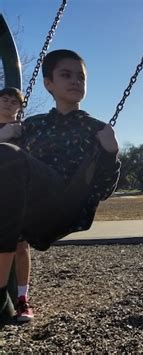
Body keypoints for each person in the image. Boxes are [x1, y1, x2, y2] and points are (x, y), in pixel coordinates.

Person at [0, 50, 121, 320]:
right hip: (31, 207)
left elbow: (103, 191)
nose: (76, 81)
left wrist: (111, 154)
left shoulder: (96, 129)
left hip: (67, 203)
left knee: (6, 154)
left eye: (81, 77)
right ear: (48, 84)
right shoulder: (33, 125)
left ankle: (8, 297)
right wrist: (6, 135)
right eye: (66, 75)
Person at [0, 87, 34, 322]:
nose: (9, 104)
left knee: (21, 247)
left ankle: (23, 300)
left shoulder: (25, 133)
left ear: (20, 108)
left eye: (14, 102)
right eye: (4, 99)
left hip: (17, 196)